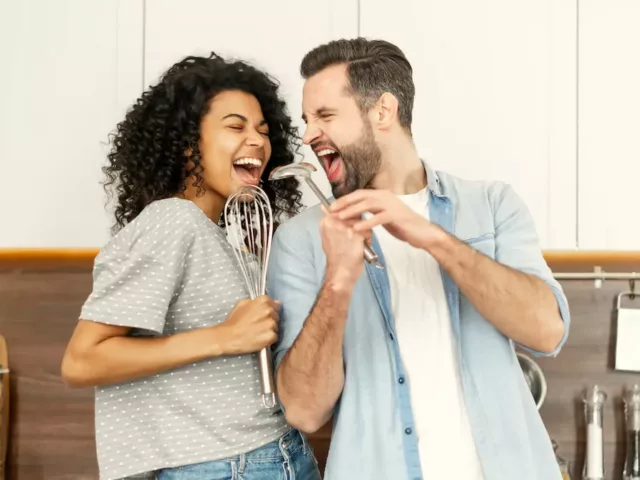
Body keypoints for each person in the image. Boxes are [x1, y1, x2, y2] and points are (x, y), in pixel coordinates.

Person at [266, 38, 571, 480]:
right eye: (307, 120)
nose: (309, 134)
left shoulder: (490, 205)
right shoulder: (301, 239)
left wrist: (433, 238)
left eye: (326, 116)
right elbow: (305, 411)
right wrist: (338, 280)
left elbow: (547, 331)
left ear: (383, 111)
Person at [61, 52, 321, 480]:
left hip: (264, 454)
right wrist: (224, 337)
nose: (257, 140)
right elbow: (82, 360)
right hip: (227, 465)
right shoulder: (172, 220)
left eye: (262, 129)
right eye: (236, 126)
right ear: (187, 144)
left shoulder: (221, 233)